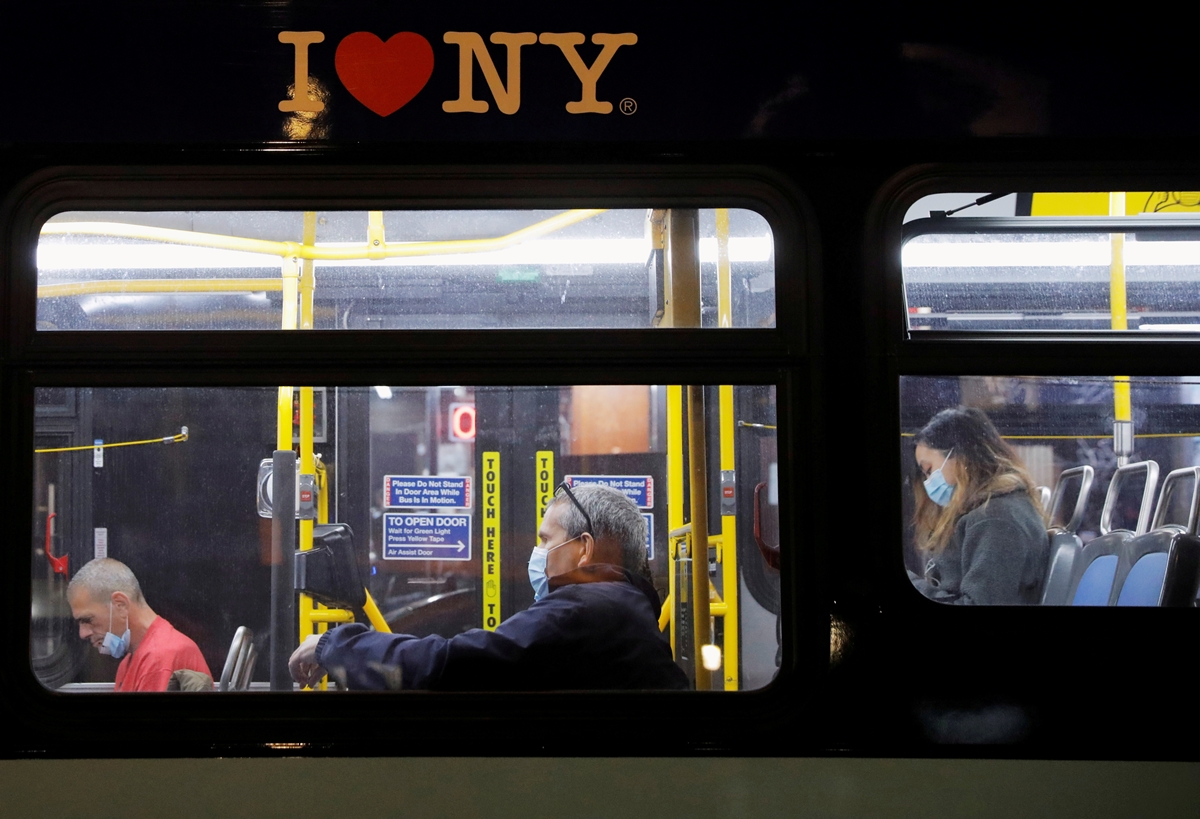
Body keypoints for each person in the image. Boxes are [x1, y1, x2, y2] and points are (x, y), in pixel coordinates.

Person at [290, 483, 688, 690]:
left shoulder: (587, 611)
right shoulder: (622, 608)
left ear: (584, 549)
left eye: (546, 540)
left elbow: (451, 667)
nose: (537, 553)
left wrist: (335, 645)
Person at [909, 406, 1050, 605]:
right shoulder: (991, 511)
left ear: (960, 457)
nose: (928, 482)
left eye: (929, 470)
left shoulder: (997, 520)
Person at [67, 558, 213, 691]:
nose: (83, 633)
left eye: (88, 620)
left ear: (120, 605)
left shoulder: (160, 659)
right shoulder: (129, 662)